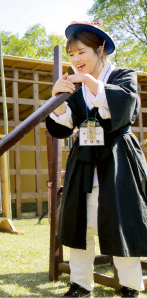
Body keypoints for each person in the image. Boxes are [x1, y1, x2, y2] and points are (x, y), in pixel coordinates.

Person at [46, 21, 147, 297]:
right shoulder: (74, 84)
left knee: (122, 220)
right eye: (71, 55)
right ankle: (80, 283)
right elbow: (63, 126)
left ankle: (130, 286)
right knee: (80, 219)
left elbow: (126, 108)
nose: (76, 60)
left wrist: (88, 82)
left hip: (118, 157)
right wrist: (57, 99)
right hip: (84, 157)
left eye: (82, 52)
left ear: (100, 49)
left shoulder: (124, 75)